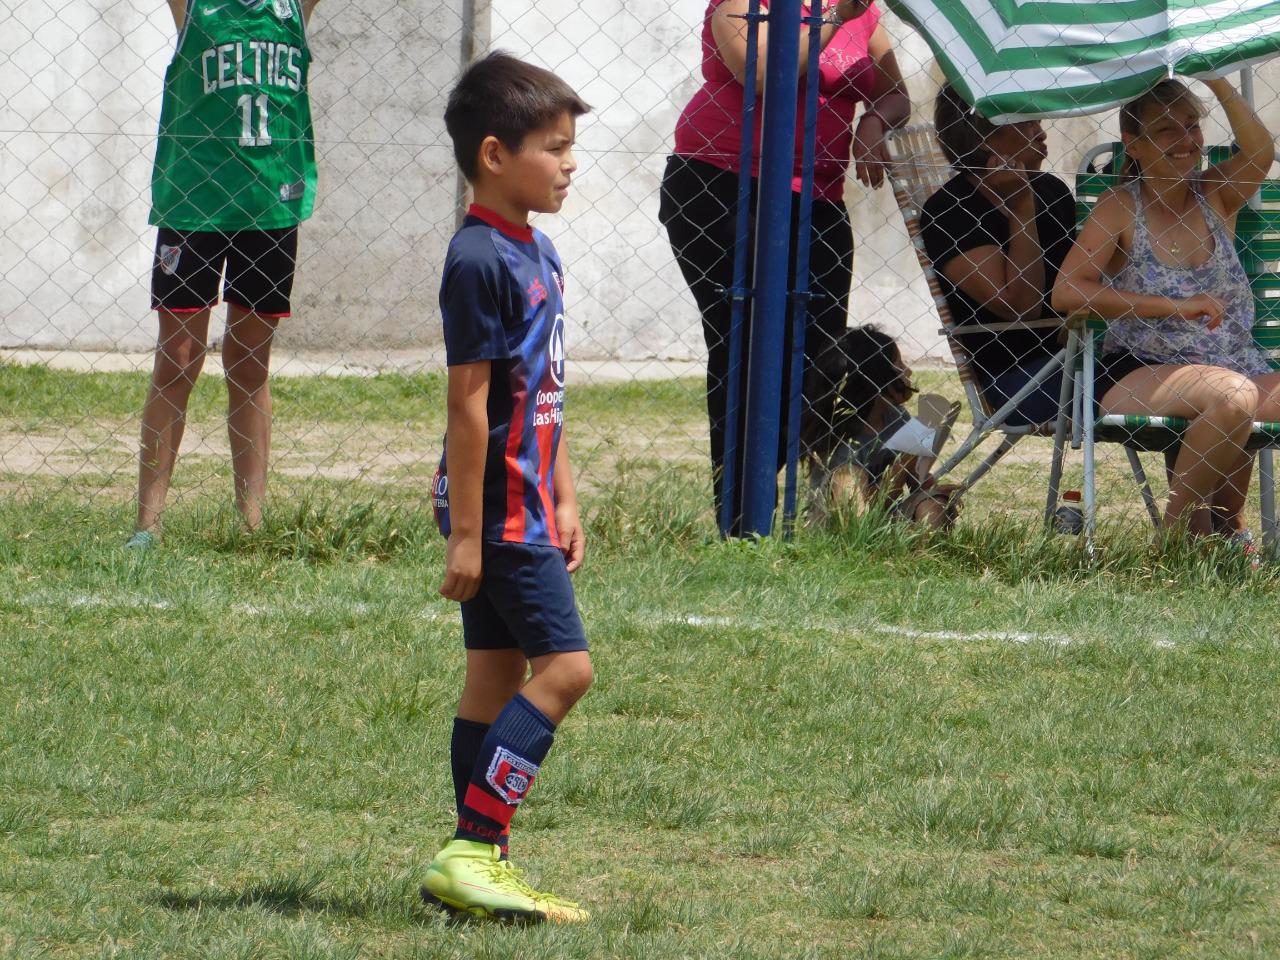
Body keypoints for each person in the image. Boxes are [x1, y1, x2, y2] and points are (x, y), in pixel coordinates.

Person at [420, 52, 593, 924]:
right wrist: (466, 531)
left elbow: (544, 391)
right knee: (566, 669)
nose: (569, 164)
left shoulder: (540, 251)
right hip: (499, 513)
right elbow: (470, 404)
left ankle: (477, 869)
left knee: (492, 678)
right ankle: (473, 849)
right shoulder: (479, 259)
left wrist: (565, 491)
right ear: (495, 154)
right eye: (554, 148)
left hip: (530, 502)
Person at [658, 0, 910, 532]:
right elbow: (763, 74)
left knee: (820, 353)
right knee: (740, 345)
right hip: (720, 187)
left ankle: (803, 504)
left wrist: (874, 122)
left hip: (817, 199)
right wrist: (832, 20)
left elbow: (894, 93)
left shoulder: (864, 13)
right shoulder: (747, 6)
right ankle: (742, 512)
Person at [126, 0, 320, 548]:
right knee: (178, 357)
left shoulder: (290, 8)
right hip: (193, 206)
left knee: (250, 359)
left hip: (270, 208)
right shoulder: (196, 7)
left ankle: (252, 524)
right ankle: (147, 525)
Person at [1053, 78, 1278, 543]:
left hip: (1234, 365)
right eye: (1165, 130)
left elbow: (1259, 151)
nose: (1185, 141)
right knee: (1233, 397)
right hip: (1141, 369)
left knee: (1235, 392)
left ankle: (1221, 528)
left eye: (1192, 126)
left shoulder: (1215, 193)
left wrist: (1218, 79)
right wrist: (1173, 307)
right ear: (1132, 144)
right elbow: (1068, 292)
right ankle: (1177, 539)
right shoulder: (1119, 207)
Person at [920, 84, 1077, 427]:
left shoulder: (1052, 190)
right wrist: (1022, 209)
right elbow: (1021, 307)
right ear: (983, 136)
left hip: (1081, 358)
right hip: (1018, 379)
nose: (1040, 130)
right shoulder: (951, 210)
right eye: (1023, 123)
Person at [806, 325, 960, 527]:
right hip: (843, 525)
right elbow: (859, 514)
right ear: (877, 379)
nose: (908, 370)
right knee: (851, 476)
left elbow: (914, 478)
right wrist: (903, 461)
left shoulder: (895, 418)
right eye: (899, 364)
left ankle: (920, 555)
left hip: (885, 519)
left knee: (932, 504)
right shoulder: (842, 442)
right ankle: (869, 554)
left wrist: (929, 487)